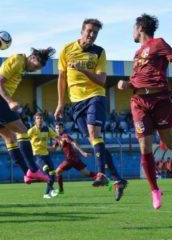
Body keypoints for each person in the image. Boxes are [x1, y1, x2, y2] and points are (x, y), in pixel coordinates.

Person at [117, 14, 172, 209]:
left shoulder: (158, 43)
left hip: (160, 100)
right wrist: (125, 84)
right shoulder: (137, 54)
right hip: (139, 101)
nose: (132, 32)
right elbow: (137, 80)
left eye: (133, 28)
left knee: (170, 145)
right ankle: (155, 190)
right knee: (145, 147)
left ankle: (162, 133)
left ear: (140, 28)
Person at [54, 18, 128, 201]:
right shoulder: (66, 49)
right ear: (82, 31)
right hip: (76, 103)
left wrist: (83, 70)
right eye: (89, 31)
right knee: (97, 142)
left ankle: (101, 175)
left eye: (95, 32)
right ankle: (118, 179)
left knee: (95, 134)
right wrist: (60, 103)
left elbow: (102, 80)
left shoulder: (99, 52)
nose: (92, 35)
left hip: (95, 96)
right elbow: (62, 78)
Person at [0, 47, 55, 184]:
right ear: (32, 57)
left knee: (10, 138)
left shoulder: (20, 67)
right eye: (35, 66)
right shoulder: (18, 59)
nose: (34, 70)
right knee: (23, 131)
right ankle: (33, 170)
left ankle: (26, 173)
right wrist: (9, 101)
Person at [50, 122, 98, 195]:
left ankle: (61, 190)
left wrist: (83, 152)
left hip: (70, 159)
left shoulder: (65, 136)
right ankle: (103, 178)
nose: (58, 129)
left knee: (57, 172)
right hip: (75, 160)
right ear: (55, 129)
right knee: (87, 173)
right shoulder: (58, 138)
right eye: (57, 128)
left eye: (60, 128)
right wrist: (42, 147)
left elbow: (74, 143)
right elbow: (53, 149)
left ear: (62, 128)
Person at [27, 112, 58, 198]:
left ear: (43, 120)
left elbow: (57, 137)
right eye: (38, 118)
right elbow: (24, 141)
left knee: (52, 174)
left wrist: (54, 147)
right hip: (37, 155)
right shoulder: (31, 131)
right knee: (46, 170)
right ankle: (52, 190)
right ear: (35, 121)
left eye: (41, 118)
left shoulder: (47, 129)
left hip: (46, 155)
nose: (40, 120)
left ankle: (46, 193)